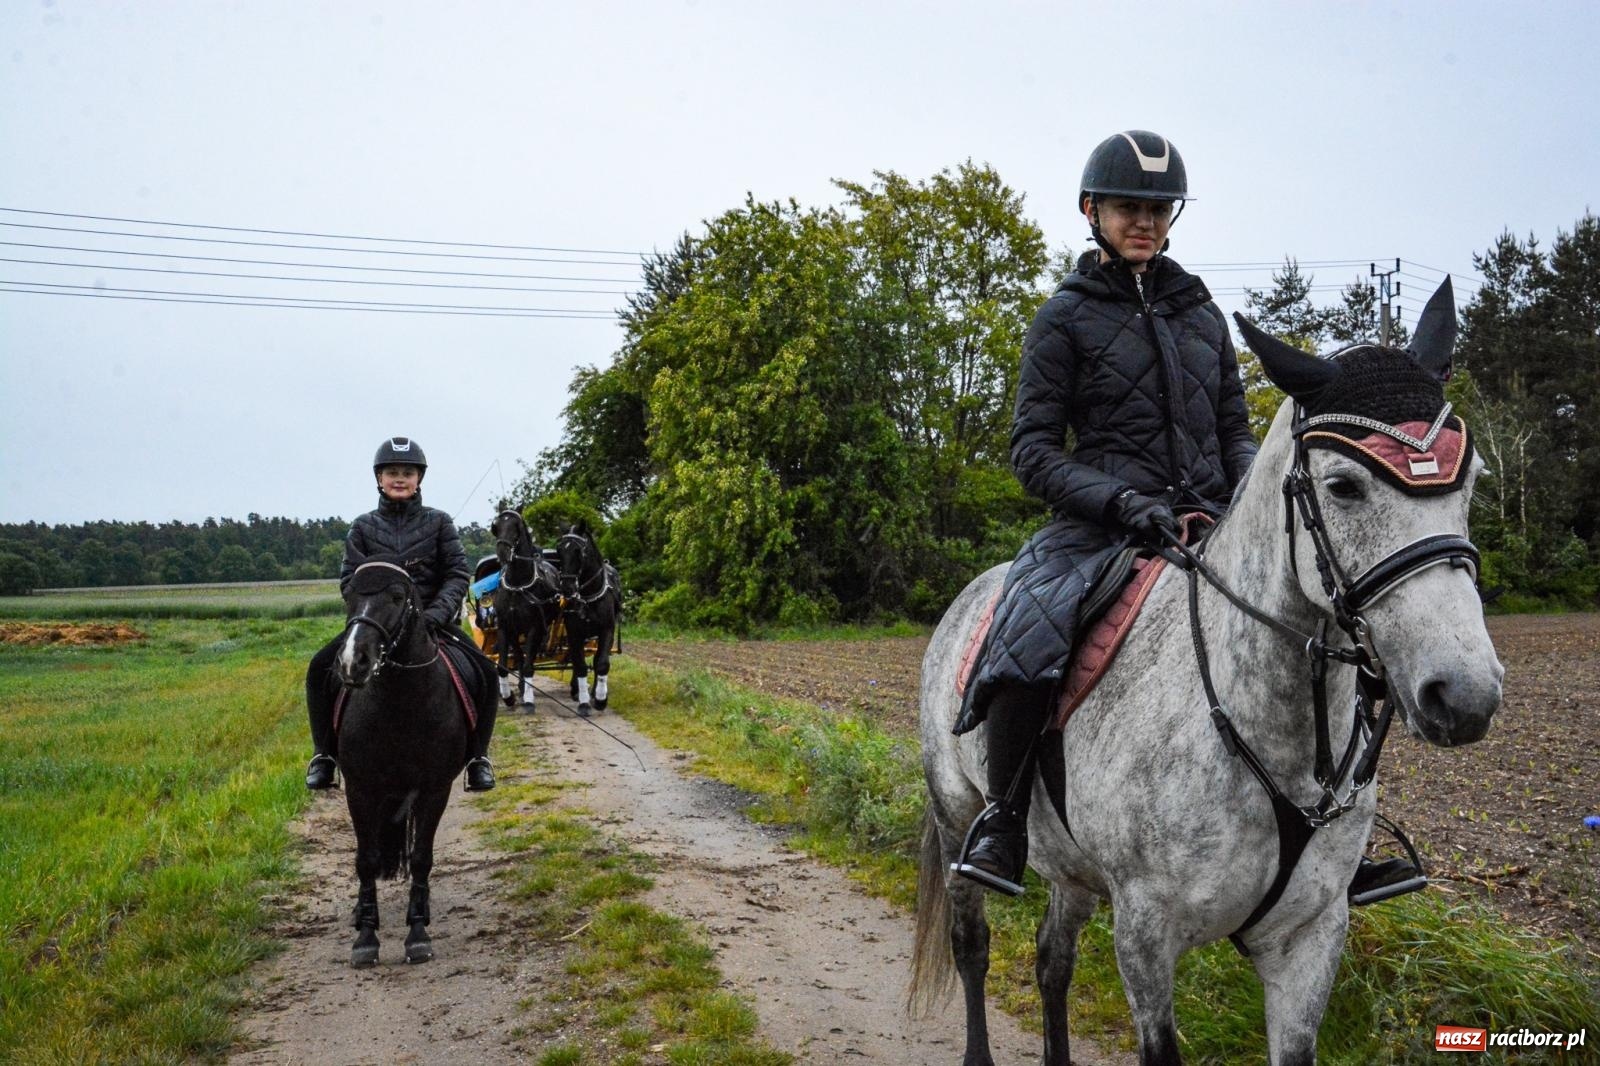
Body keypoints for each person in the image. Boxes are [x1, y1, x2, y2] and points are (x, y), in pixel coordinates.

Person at [951, 131, 1258, 896]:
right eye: (1130, 207)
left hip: (1213, 518)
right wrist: (1121, 501)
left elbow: (1235, 433)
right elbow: (1033, 452)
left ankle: (1336, 834)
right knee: (1028, 622)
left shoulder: (1202, 315)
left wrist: (1249, 504)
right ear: (1092, 210)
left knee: (1329, 615)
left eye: (1158, 209)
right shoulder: (1065, 317)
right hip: (1101, 525)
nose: (1145, 222)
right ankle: (1002, 818)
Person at [304, 437, 499, 792]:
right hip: (377, 626)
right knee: (320, 668)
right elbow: (350, 580)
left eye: (407, 473)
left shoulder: (439, 523)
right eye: (391, 472)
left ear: (419, 479)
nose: (399, 478)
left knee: (486, 670)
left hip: (432, 625)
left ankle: (477, 758)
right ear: (379, 478)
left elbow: (457, 573)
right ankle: (325, 756)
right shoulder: (363, 527)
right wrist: (370, 614)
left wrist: (435, 614)